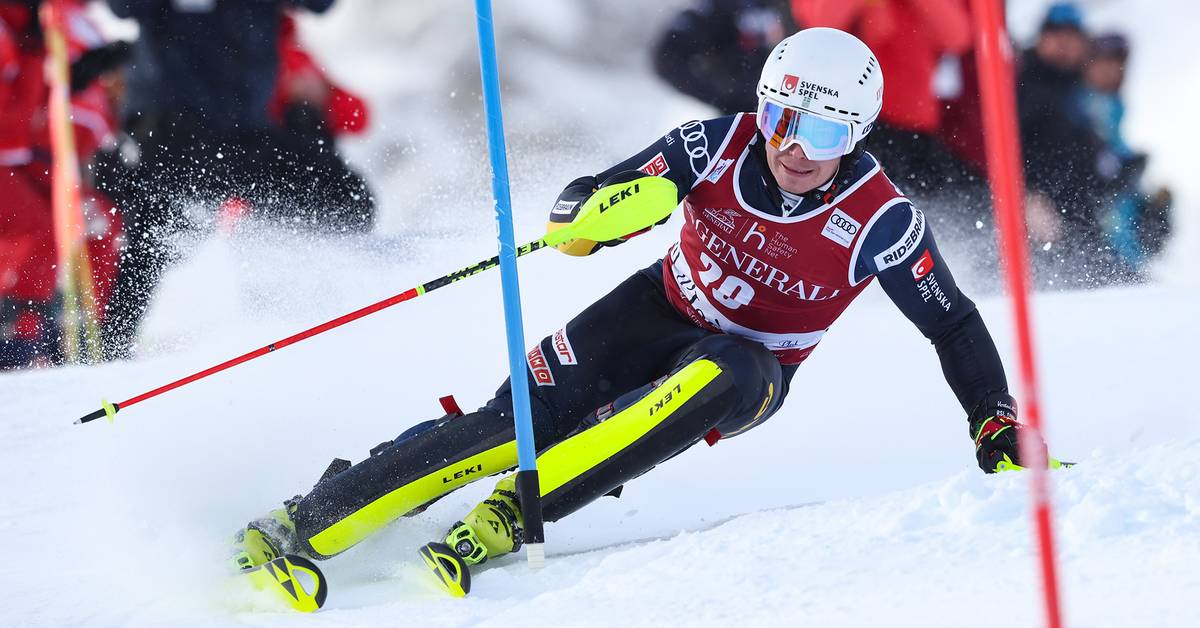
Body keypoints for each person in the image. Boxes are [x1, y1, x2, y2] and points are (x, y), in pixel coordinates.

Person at [231, 28, 1045, 587]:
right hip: (651, 307)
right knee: (502, 427)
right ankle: (308, 521)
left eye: (823, 135)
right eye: (781, 121)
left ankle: (514, 514)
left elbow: (953, 323)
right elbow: (576, 209)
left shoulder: (880, 218)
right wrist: (597, 215)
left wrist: (995, 421)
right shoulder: (712, 146)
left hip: (747, 372)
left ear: (858, 136)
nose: (795, 149)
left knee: (733, 365)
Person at [97, 0, 374, 360]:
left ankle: (323, 317)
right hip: (170, 129)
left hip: (244, 133)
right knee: (154, 231)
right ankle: (105, 347)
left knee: (348, 201)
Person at [1072, 33, 1171, 274]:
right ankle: (1123, 270)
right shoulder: (1081, 103)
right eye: (1103, 62)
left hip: (1119, 222)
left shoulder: (1113, 104)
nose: (1111, 70)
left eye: (1117, 64)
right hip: (1094, 223)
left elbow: (1115, 151)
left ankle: (1128, 267)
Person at [653, 0, 791, 114]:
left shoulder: (787, 6)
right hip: (746, 114)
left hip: (795, 107)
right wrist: (723, 96)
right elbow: (667, 59)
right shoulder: (715, 8)